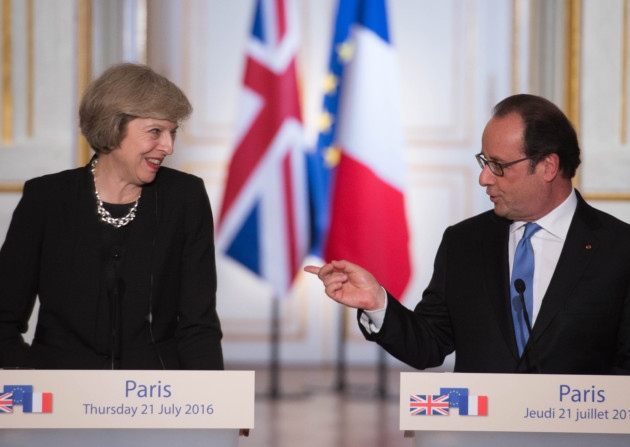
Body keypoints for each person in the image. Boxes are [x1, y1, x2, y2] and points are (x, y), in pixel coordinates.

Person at [305, 94, 630, 375]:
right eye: (484, 162)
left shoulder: (619, 249)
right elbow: (429, 345)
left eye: (498, 165)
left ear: (547, 167)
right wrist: (377, 302)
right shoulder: (464, 243)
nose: (484, 178)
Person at [0, 63, 224, 370]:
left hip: (156, 399)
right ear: (114, 127)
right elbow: (3, 318)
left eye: (172, 132)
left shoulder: (185, 197)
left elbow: (198, 323)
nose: (168, 146)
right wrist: (30, 386)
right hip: (61, 398)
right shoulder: (47, 198)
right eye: (155, 132)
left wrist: (207, 405)